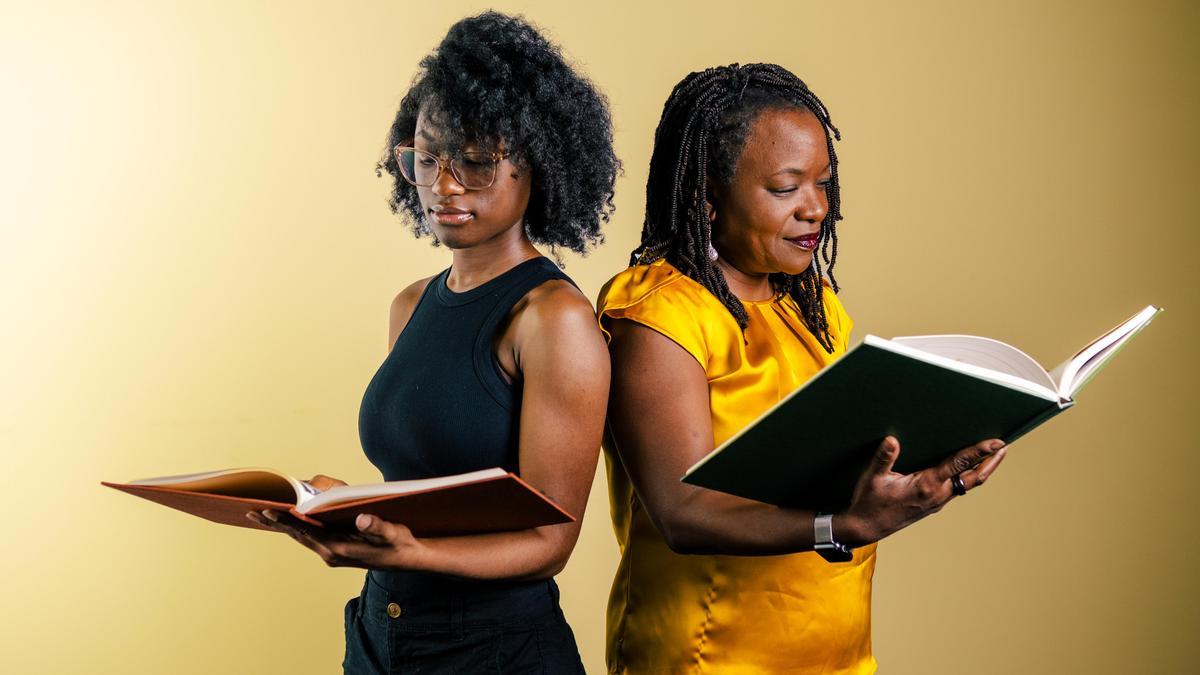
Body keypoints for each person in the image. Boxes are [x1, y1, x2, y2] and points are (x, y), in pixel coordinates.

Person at [597, 63, 1008, 674]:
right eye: (786, 188)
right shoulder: (660, 314)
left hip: (836, 652)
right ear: (708, 194)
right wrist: (842, 525)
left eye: (824, 184)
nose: (815, 208)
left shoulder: (812, 308)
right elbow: (682, 513)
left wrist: (928, 470)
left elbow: (831, 465)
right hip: (711, 655)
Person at [247, 12, 617, 674]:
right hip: (380, 634)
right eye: (427, 158)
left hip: (494, 650)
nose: (443, 185)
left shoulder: (553, 319)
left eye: (475, 162)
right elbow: (425, 485)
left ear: (538, 163)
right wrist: (343, 508)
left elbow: (549, 539)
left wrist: (412, 552)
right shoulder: (411, 303)